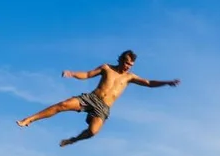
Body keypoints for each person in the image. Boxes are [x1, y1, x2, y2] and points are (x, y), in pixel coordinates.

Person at [16, 50, 181, 147]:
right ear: (121, 60)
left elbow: (149, 82)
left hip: (103, 108)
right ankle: (28, 119)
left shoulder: (129, 77)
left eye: (130, 64)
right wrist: (73, 74)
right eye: (126, 62)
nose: (127, 66)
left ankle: (72, 140)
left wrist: (167, 82)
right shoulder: (106, 68)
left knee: (93, 132)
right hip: (91, 98)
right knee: (63, 105)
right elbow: (87, 74)